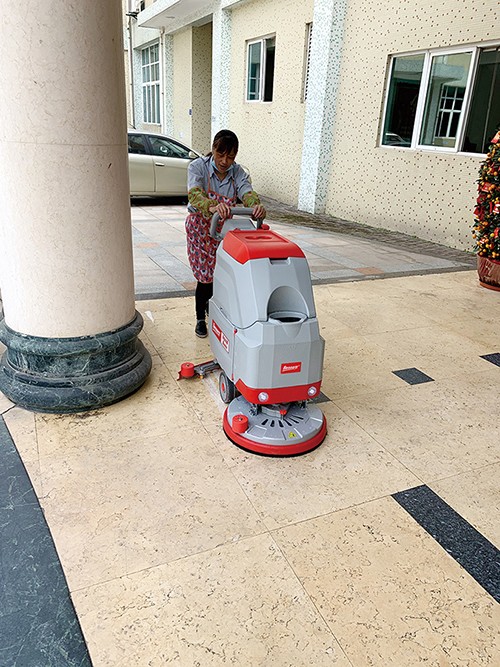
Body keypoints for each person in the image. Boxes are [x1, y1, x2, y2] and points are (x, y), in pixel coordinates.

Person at [185, 129, 266, 337]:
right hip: (200, 229)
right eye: (221, 155)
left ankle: (213, 309)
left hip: (224, 230)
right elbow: (195, 195)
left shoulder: (237, 172)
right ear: (213, 149)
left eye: (230, 157)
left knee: (221, 273)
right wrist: (212, 206)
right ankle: (200, 318)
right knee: (205, 276)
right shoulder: (198, 167)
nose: (224, 161)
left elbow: (246, 191)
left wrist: (255, 205)